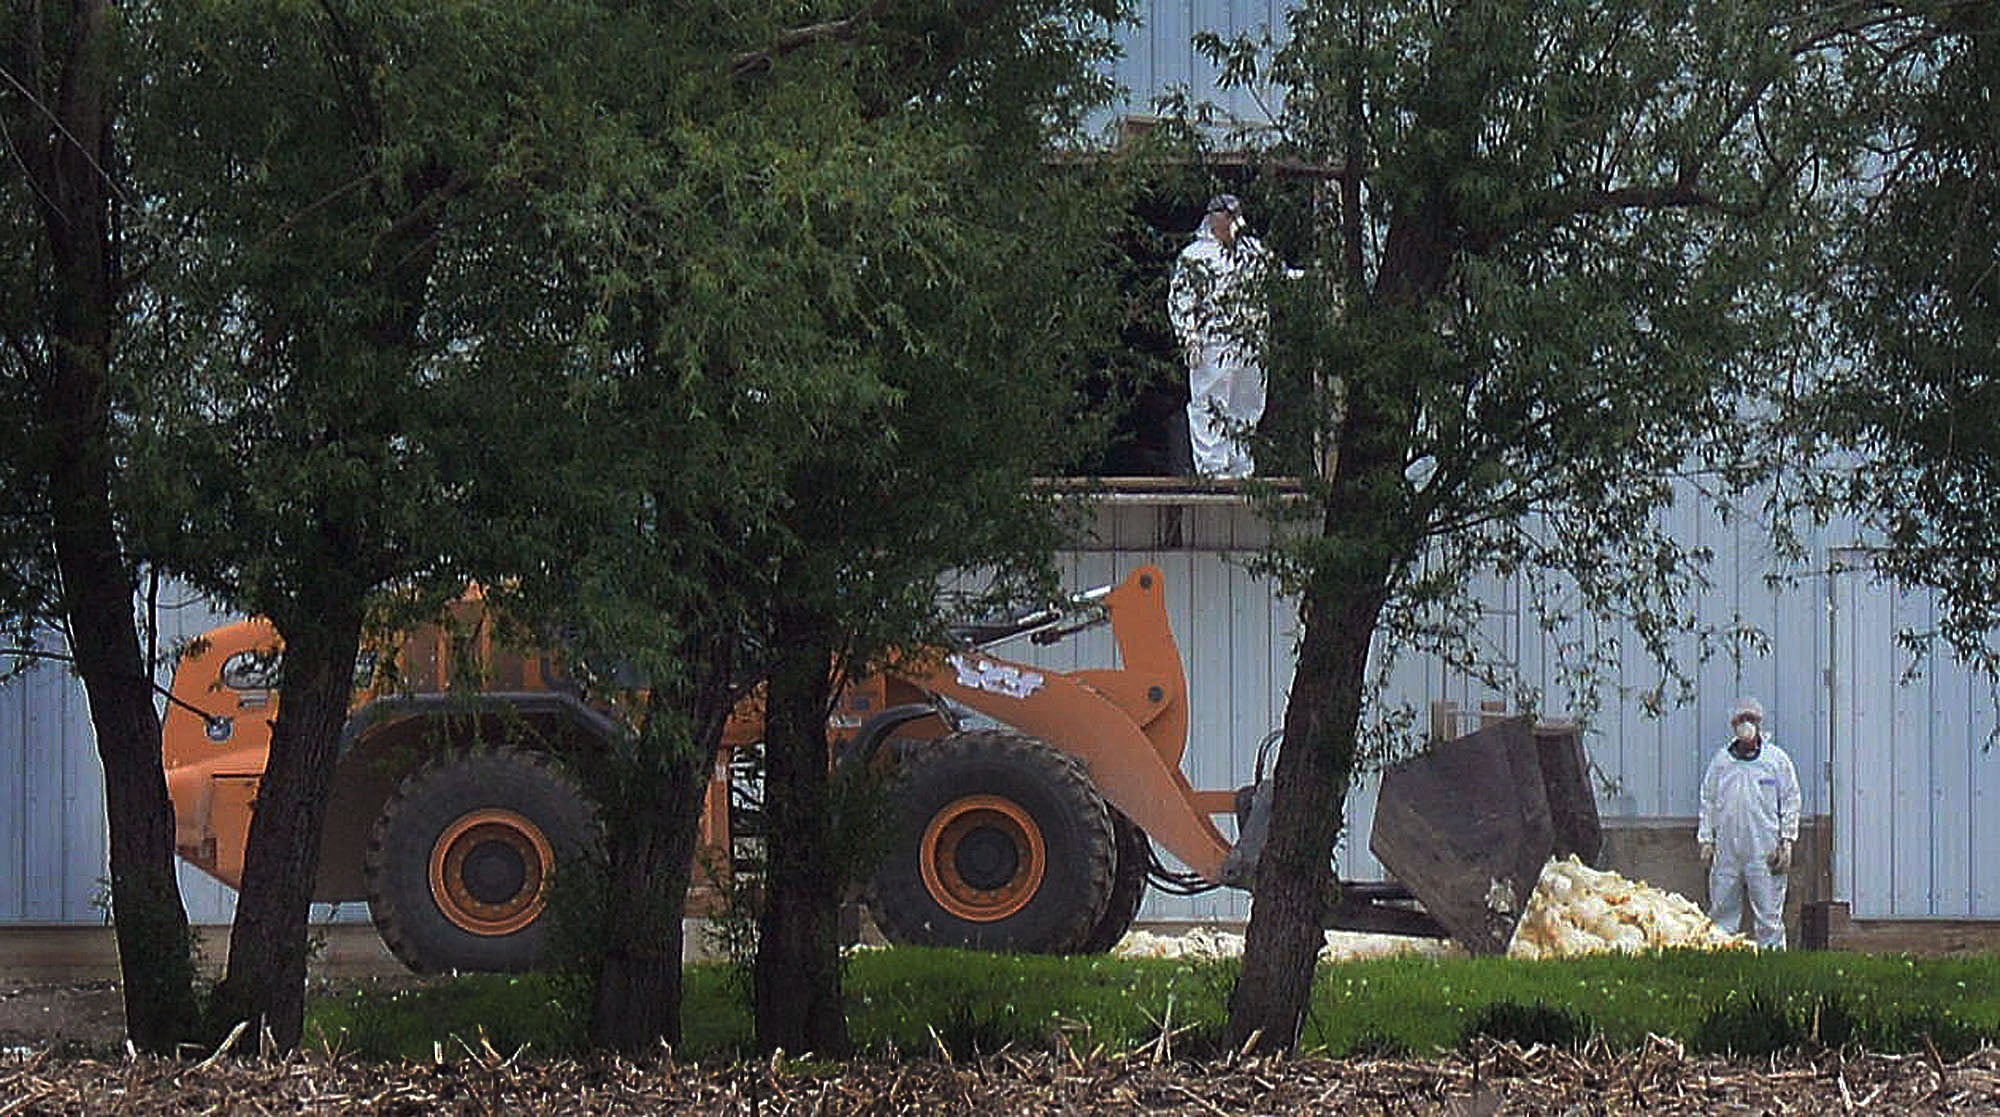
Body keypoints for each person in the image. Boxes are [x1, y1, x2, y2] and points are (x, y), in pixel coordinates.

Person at [1168, 194, 1278, 479]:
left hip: (1250, 344)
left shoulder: (1254, 252)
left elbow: (1278, 278)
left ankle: (1242, 467)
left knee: (1247, 405)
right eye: (1226, 215)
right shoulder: (1195, 256)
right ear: (1213, 218)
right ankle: (1213, 469)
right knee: (1211, 405)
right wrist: (1189, 337)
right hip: (1212, 344)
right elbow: (1181, 299)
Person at [1697, 697, 1801, 948]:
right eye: (1740, 720)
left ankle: (1772, 962)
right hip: (1727, 850)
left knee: (1769, 913)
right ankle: (1721, 958)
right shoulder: (1722, 762)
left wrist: (1787, 841)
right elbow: (1708, 800)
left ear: (1759, 723)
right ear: (1733, 725)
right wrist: (1706, 840)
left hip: (1764, 850)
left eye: (1751, 719)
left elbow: (1790, 799)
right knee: (1722, 911)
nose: (1746, 724)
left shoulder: (1776, 761)